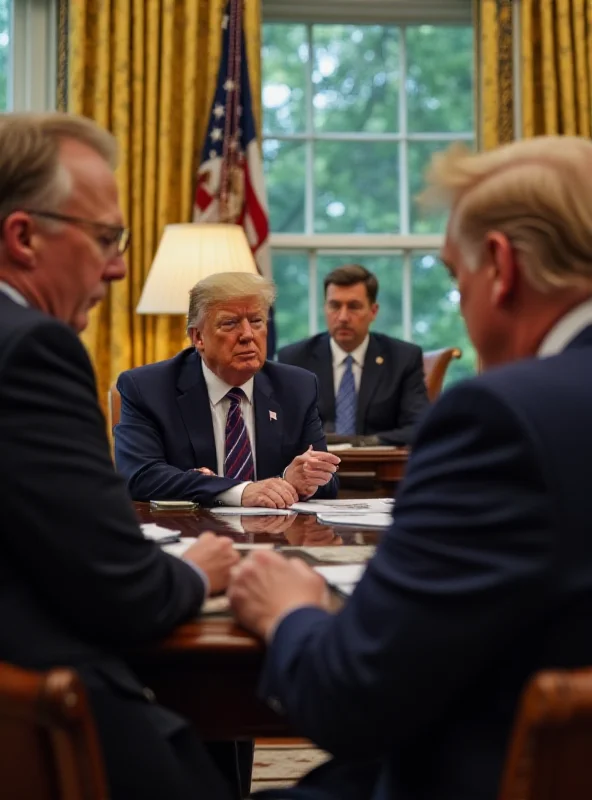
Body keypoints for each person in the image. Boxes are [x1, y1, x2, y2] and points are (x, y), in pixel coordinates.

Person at [228, 135, 592, 800]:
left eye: (457, 280)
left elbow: (351, 700)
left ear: (501, 269)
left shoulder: (502, 417)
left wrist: (290, 612)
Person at [0, 111, 242, 800]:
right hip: (55, 730)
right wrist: (198, 572)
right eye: (106, 237)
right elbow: (123, 593)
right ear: (23, 237)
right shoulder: (32, 351)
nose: (120, 265)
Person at [115, 272, 340, 507]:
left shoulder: (297, 387)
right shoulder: (148, 388)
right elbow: (140, 476)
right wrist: (240, 492)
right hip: (191, 534)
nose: (247, 335)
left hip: (275, 536)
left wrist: (302, 480)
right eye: (230, 323)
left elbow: (328, 481)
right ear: (198, 337)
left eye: (256, 321)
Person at [277, 264, 429, 445]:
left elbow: (419, 426)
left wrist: (365, 442)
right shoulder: (295, 358)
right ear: (325, 308)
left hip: (378, 467)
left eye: (354, 307)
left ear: (373, 311)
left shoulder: (403, 358)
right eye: (334, 306)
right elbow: (283, 427)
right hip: (314, 468)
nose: (342, 317)